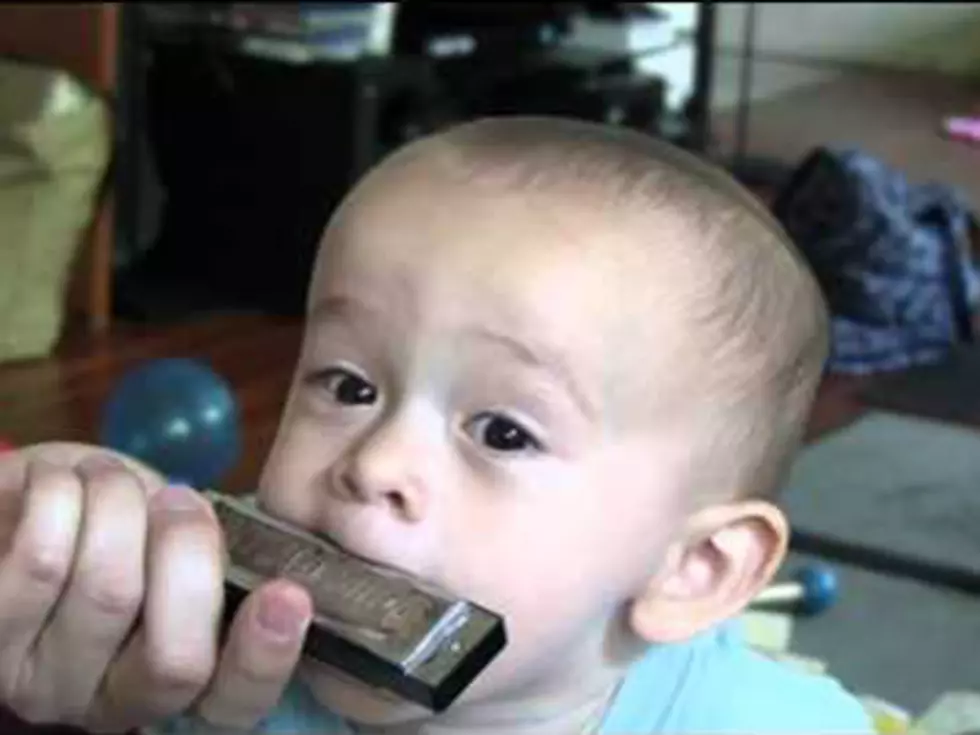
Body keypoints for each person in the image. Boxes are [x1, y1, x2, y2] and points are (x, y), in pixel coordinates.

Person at [0, 117, 872, 734]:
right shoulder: (195, 676)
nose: (376, 461)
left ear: (692, 567)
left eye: (502, 431)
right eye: (347, 383)